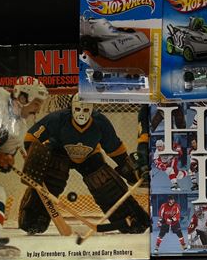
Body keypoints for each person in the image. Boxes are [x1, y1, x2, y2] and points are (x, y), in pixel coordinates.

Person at [19, 93, 149, 235]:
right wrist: (33, 156)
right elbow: (31, 137)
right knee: (52, 178)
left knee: (105, 183)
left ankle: (132, 219)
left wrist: (131, 171)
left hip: (89, 156)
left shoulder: (100, 122)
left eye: (86, 110)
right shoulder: (57, 118)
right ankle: (33, 219)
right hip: (59, 153)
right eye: (78, 109)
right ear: (71, 108)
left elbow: (116, 150)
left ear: (92, 109)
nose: (81, 114)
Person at [0, 79, 48, 257]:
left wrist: (4, 161)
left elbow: (1, 162)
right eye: (37, 103)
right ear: (23, 97)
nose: (38, 109)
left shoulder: (19, 130)